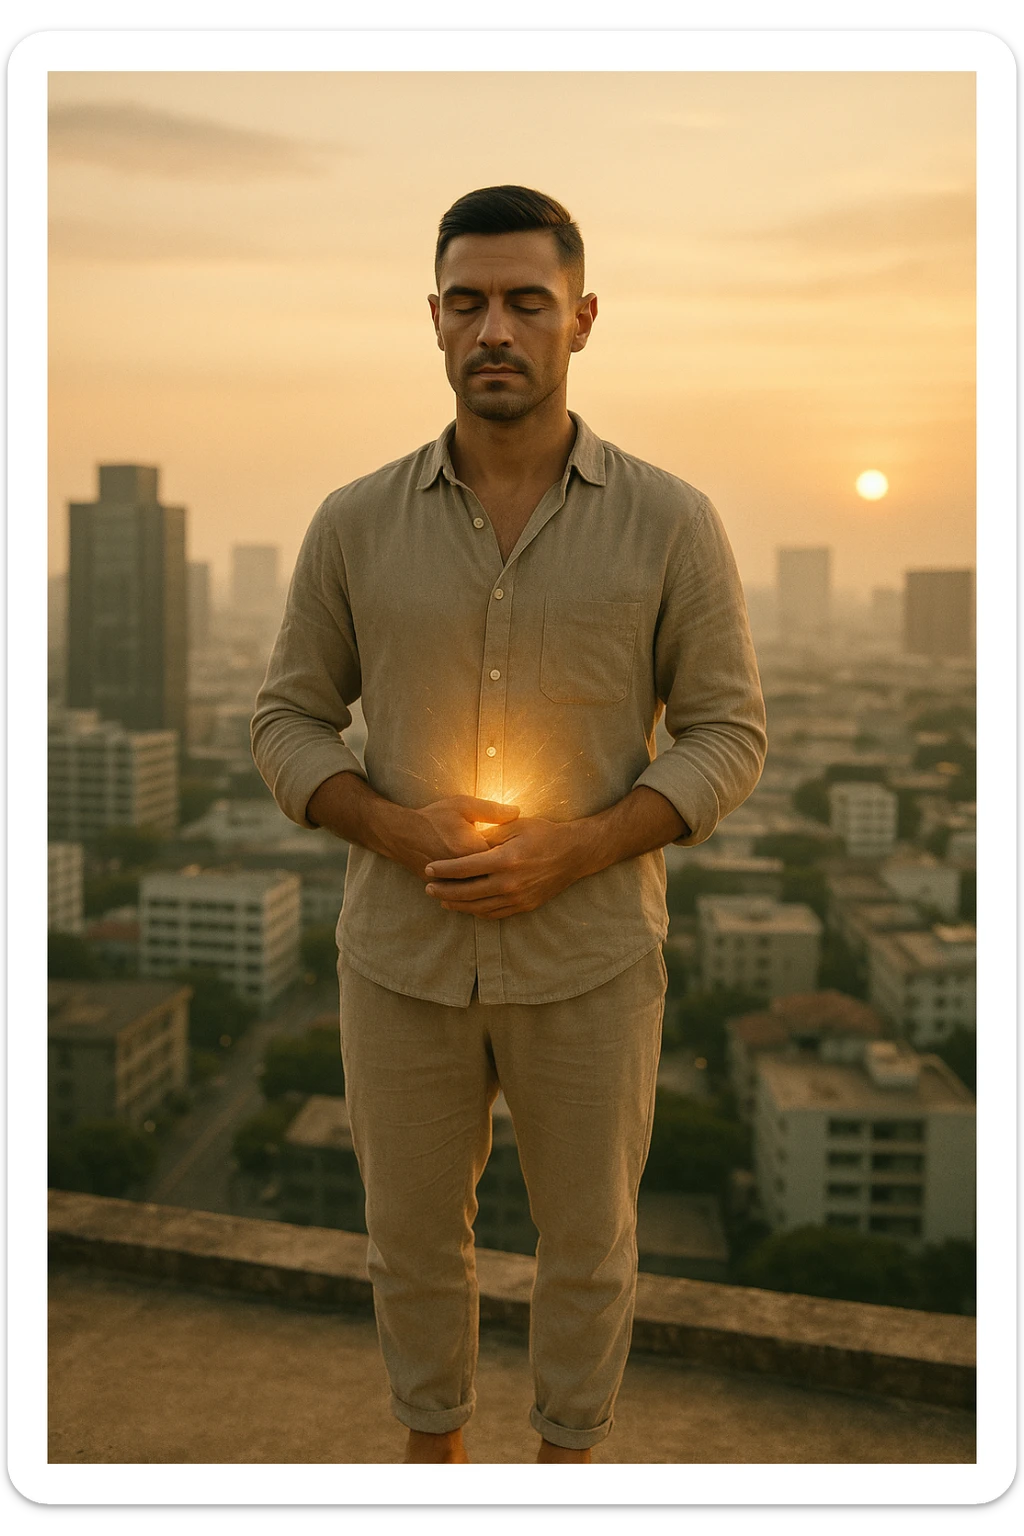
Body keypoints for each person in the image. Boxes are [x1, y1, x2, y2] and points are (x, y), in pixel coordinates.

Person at [251, 185, 767, 1464]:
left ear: (580, 321)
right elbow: (286, 722)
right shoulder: (354, 522)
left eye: (526, 303)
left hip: (590, 962)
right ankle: (433, 1457)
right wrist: (392, 826)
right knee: (412, 1241)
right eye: (469, 302)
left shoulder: (670, 521)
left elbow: (729, 732)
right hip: (401, 959)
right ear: (432, 321)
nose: (497, 328)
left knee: (588, 1248)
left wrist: (580, 846)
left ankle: (566, 1462)